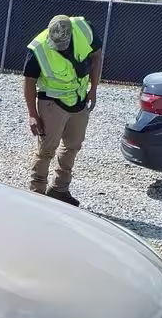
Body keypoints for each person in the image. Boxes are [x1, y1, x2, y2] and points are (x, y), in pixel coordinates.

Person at [22, 14, 102, 206]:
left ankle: (59, 189)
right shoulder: (38, 48)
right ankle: (36, 195)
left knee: (72, 146)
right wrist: (33, 114)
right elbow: (29, 82)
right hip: (52, 102)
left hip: (79, 99)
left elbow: (97, 56)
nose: (61, 48)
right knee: (46, 150)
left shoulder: (84, 29)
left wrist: (94, 89)